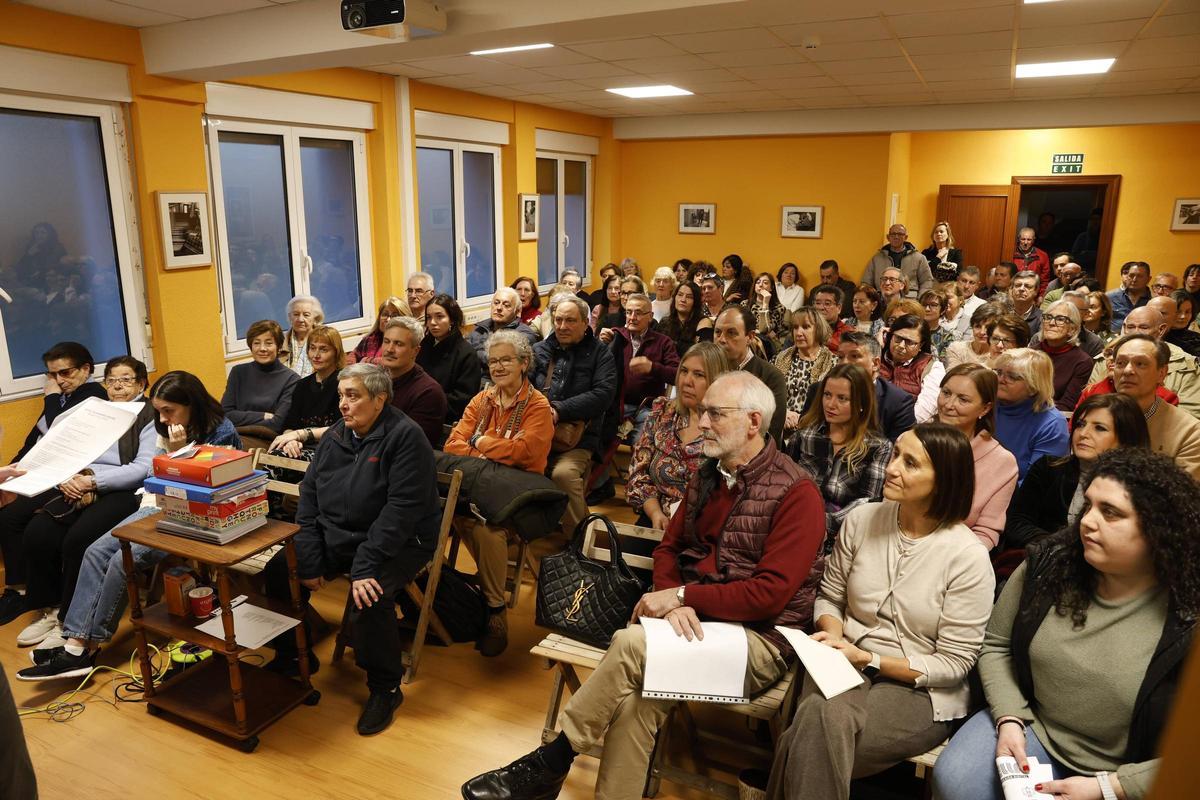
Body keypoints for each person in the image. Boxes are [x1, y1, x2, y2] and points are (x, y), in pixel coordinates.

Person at [461, 372, 826, 800]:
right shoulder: (708, 475)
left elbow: (770, 595)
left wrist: (683, 596)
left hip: (760, 640)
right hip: (691, 627)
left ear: (753, 421)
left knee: (631, 643)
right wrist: (673, 602)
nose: (702, 421)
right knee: (635, 702)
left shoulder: (796, 493)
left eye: (714, 413)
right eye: (701, 411)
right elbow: (669, 549)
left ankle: (551, 760)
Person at [932, 448, 1198, 800]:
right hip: (1035, 726)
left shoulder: (1188, 613)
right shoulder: (1048, 565)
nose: (1088, 521)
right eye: (1089, 505)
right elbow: (995, 644)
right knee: (957, 779)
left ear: (1158, 530)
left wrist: (1112, 787)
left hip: (1133, 766)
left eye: (1111, 513)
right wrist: (1009, 717)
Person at [767, 423, 995, 800]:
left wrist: (870, 657)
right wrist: (835, 634)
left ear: (944, 480)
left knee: (808, 735)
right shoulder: (862, 520)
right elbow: (830, 596)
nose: (891, 468)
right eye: (895, 456)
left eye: (911, 463)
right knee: (824, 722)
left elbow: (954, 663)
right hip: (842, 660)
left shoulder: (967, 558)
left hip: (920, 690)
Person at [17, 371, 241, 677]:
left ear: (192, 404)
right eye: (159, 410)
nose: (162, 417)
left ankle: (85, 647)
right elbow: (154, 478)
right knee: (95, 551)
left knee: (123, 560)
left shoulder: (222, 431)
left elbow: (206, 491)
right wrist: (170, 455)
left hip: (198, 516)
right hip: (158, 506)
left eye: (168, 410)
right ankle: (74, 644)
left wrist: (179, 454)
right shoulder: (166, 426)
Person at [258, 363, 440, 735]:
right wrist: (308, 559)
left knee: (369, 593)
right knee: (280, 571)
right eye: (341, 395)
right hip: (340, 533)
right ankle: (295, 654)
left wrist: (365, 567)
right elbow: (308, 497)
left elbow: (400, 513)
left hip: (400, 541)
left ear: (380, 399)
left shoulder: (406, 437)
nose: (343, 404)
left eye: (353, 396)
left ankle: (385, 687)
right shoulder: (339, 433)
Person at [3, 357, 156, 647]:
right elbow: (67, 448)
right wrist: (66, 475)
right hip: (77, 482)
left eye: (126, 380)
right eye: (111, 380)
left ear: (141, 383)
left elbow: (143, 467)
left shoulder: (148, 415)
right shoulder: (96, 411)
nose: (118, 386)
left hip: (123, 490)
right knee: (38, 532)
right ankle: (52, 608)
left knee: (77, 540)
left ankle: (70, 619)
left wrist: (93, 480)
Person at [444, 331, 554, 656]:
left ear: (523, 363)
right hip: (477, 488)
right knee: (455, 517)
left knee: (488, 532)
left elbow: (525, 454)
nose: (498, 366)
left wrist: (478, 443)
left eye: (506, 359)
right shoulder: (482, 401)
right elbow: (453, 445)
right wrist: (492, 453)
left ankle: (495, 609)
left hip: (518, 495)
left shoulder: (537, 405)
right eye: (493, 361)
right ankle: (448, 593)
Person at [1001, 393, 1149, 553]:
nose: (1083, 433)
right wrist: (1060, 549)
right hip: (1040, 559)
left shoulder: (1137, 487)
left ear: (1125, 439)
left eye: (1099, 428)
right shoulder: (1047, 468)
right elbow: (1017, 523)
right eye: (1080, 424)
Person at [532, 295, 618, 537]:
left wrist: (559, 410)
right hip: (535, 435)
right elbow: (522, 388)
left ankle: (580, 543)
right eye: (558, 320)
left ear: (585, 323)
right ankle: (519, 532)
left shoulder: (601, 354)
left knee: (563, 475)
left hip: (577, 439)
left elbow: (603, 395)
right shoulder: (539, 351)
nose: (562, 326)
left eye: (570, 320)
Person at [626, 342, 730, 529]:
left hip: (703, 528)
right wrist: (656, 513)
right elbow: (638, 474)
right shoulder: (662, 411)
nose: (687, 381)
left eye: (698, 375)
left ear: (716, 381)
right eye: (684, 371)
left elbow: (727, 493)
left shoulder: (726, 427)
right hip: (655, 518)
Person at [789, 363, 893, 541]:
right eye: (827, 395)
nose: (831, 404)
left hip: (845, 533)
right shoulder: (805, 436)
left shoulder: (878, 447)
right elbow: (785, 483)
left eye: (842, 398)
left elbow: (868, 502)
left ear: (861, 403)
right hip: (795, 520)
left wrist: (821, 524)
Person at [935, 364, 1018, 549]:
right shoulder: (912, 440)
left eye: (963, 399)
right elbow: (892, 505)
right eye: (946, 393)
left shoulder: (1002, 462)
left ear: (985, 409)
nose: (948, 405)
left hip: (956, 557)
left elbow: (986, 532)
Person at [1112, 334, 1200, 480]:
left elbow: (1180, 495)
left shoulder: (1189, 433)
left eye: (1140, 364)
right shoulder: (1096, 416)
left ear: (1162, 373)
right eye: (1120, 363)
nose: (1127, 371)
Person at [11, 341, 107, 463]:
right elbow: (33, 439)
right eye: (52, 374)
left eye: (65, 373)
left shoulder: (95, 394)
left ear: (85, 369)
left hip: (58, 464)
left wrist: (52, 396)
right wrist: (13, 466)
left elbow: (57, 432)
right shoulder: (65, 393)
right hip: (32, 459)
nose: (59, 380)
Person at [608, 293, 680, 441]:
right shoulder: (615, 336)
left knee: (643, 444)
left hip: (647, 408)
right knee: (598, 439)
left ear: (650, 316)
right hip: (614, 406)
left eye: (638, 313)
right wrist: (601, 344)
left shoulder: (663, 342)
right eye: (628, 312)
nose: (632, 317)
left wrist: (652, 367)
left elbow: (677, 375)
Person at [992, 348, 1070, 482]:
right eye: (999, 372)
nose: (1001, 379)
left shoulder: (1052, 424)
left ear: (1034, 386)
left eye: (1012, 376)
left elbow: (1033, 485)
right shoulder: (986, 405)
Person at [713, 306, 788, 445]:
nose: (721, 339)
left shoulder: (771, 377)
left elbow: (771, 436)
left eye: (731, 333)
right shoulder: (706, 369)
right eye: (717, 332)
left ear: (750, 337)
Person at [267, 325, 345, 457]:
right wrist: (290, 440)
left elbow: (342, 427)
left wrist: (299, 436)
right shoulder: (302, 385)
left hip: (333, 447)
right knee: (276, 456)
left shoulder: (344, 383)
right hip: (302, 445)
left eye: (323, 349)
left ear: (336, 352)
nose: (316, 355)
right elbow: (290, 423)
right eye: (312, 348)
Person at [221, 319, 300, 437]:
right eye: (256, 343)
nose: (262, 348)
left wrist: (238, 419)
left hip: (266, 441)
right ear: (251, 346)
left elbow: (277, 424)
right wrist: (262, 416)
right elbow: (224, 414)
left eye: (269, 343)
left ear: (278, 347)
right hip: (232, 436)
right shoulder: (238, 372)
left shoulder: (292, 379)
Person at [378, 317, 447, 448]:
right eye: (386, 341)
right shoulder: (375, 380)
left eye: (399, 344)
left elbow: (411, 444)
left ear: (415, 351)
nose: (389, 349)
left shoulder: (429, 393)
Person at [834, 332, 916, 441]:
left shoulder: (898, 402)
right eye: (840, 357)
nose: (844, 363)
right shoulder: (819, 391)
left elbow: (898, 451)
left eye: (854, 356)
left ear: (876, 364)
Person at [415, 293, 481, 422]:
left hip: (445, 418)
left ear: (451, 319)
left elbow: (462, 399)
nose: (433, 323)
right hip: (417, 409)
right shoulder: (424, 345)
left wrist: (426, 403)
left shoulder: (466, 354)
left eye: (439, 317)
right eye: (429, 318)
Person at [773, 307, 835, 440]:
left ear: (818, 330)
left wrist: (802, 420)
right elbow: (767, 395)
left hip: (816, 433)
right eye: (795, 327)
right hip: (780, 428)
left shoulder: (833, 363)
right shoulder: (779, 359)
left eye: (806, 327)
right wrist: (782, 413)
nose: (799, 332)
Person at [880, 315, 944, 423]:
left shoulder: (932, 367)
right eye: (898, 338)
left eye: (910, 342)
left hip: (907, 429)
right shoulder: (875, 358)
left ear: (921, 345)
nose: (901, 345)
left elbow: (923, 412)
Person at [1038, 299, 1094, 411]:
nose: (1052, 323)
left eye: (1060, 319)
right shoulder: (1030, 352)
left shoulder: (1082, 362)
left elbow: (1067, 405)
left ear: (1072, 329)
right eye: (1048, 317)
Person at [467, 287, 539, 372]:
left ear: (517, 311)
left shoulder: (524, 334)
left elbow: (499, 360)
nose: (499, 308)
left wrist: (475, 354)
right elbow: (465, 355)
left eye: (506, 305)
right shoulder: (479, 328)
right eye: (496, 303)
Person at [862, 224, 934, 299]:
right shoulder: (877, 259)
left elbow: (927, 281)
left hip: (910, 302)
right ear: (888, 237)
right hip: (882, 301)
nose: (896, 237)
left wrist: (920, 300)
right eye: (893, 234)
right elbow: (866, 283)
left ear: (905, 237)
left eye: (900, 234)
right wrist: (871, 300)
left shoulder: (919, 258)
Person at [348, 295, 408, 365]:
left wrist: (365, 361)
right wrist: (351, 364)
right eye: (385, 314)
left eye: (394, 316)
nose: (388, 319)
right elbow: (354, 354)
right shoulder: (370, 339)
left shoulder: (407, 341)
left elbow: (390, 363)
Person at [658, 280, 713, 355]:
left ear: (695, 302)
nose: (683, 300)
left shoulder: (703, 322)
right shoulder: (665, 322)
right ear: (675, 298)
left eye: (689, 297)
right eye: (680, 295)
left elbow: (702, 354)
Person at [945, 302, 1003, 369]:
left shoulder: (1000, 355)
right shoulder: (956, 349)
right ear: (972, 327)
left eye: (988, 327)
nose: (982, 332)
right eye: (978, 326)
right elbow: (953, 377)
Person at [746, 271, 790, 355]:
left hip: (769, 345)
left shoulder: (779, 308)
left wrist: (765, 303)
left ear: (771, 288)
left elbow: (764, 330)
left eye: (765, 283)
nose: (760, 285)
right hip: (747, 341)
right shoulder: (745, 304)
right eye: (758, 282)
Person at [280, 294, 324, 377]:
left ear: (315, 318)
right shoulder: (280, 343)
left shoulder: (326, 340)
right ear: (290, 317)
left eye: (306, 315)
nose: (300, 319)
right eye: (296, 314)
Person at [1107, 261, 1151, 332]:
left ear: (1148, 279)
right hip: (1113, 339)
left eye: (1139, 276)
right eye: (1131, 275)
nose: (1134, 280)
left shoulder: (1153, 301)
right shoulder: (1110, 297)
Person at [811, 284, 853, 351]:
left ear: (839, 308)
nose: (821, 307)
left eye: (827, 303)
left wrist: (826, 340)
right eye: (818, 303)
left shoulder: (849, 333)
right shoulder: (806, 328)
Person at [1012, 227, 1051, 295]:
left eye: (1029, 240)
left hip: (1033, 293)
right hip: (1014, 291)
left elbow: (1044, 279)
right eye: (1023, 239)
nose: (1025, 242)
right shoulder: (1011, 253)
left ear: (1033, 240)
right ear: (1018, 239)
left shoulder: (1042, 255)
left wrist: (1041, 295)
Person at [1163, 290, 1200, 356]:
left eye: (1187, 312)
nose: (1183, 316)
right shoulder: (1159, 336)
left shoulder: (1197, 338)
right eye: (1178, 311)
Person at [920, 288, 954, 358]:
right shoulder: (911, 330)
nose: (927, 309)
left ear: (943, 310)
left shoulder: (947, 337)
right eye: (924, 304)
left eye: (933, 305)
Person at [1009, 270, 1043, 337]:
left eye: (1027, 286)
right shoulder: (1003, 315)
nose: (1021, 289)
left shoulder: (1042, 318)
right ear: (1012, 289)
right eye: (1017, 285)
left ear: (1036, 291)